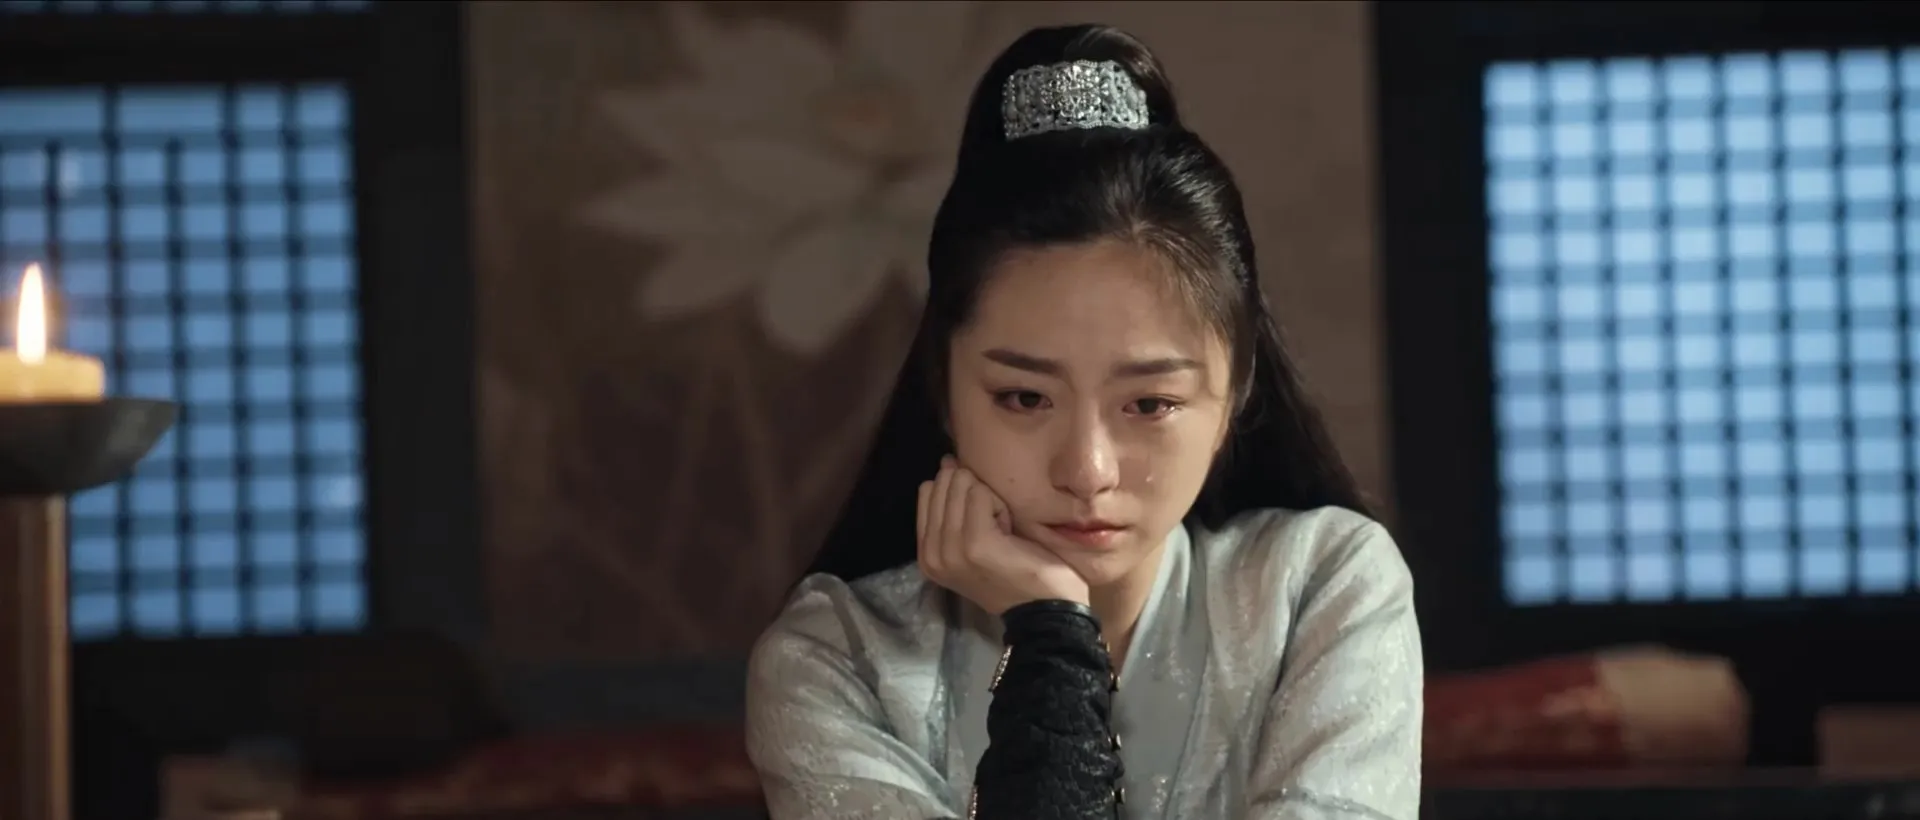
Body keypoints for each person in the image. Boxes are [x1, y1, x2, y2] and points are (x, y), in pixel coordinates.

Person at [744, 23, 1423, 820]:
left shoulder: (1320, 588)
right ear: (944, 387)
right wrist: (1049, 635)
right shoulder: (837, 659)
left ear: (1235, 392)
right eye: (1024, 398)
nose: (1087, 470)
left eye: (1150, 404)